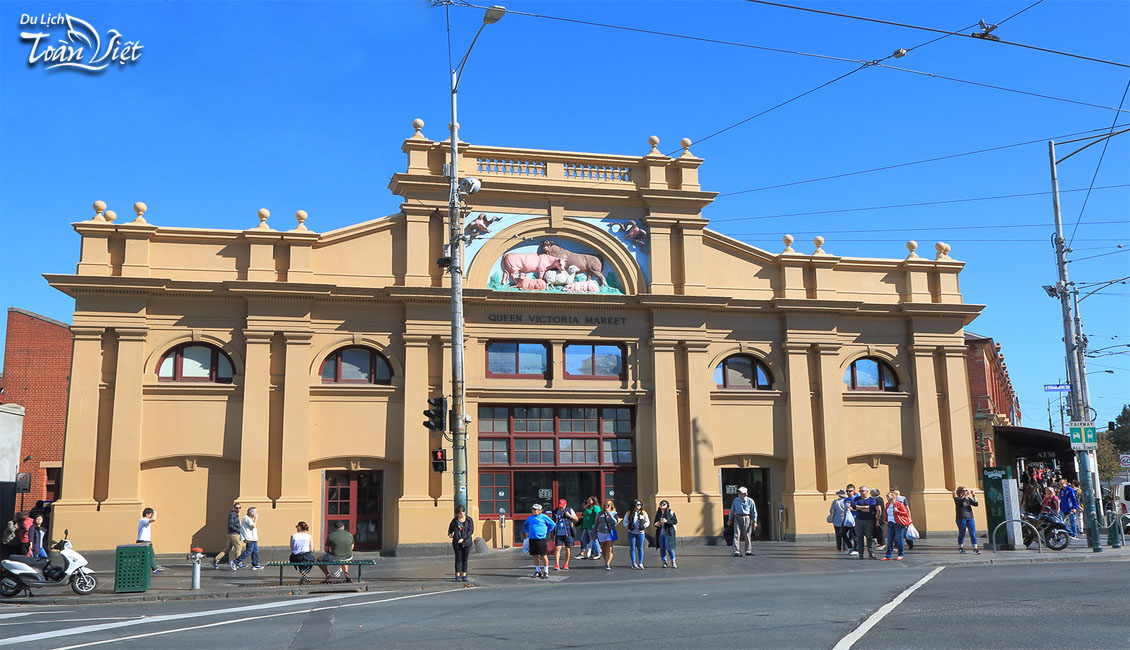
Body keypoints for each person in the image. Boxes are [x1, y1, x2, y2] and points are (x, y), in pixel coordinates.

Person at [522, 504, 555, 579]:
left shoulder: (544, 517)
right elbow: (524, 525)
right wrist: (526, 531)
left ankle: (546, 571)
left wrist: (546, 532)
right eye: (533, 509)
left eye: (535, 509)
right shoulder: (530, 518)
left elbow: (552, 524)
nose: (534, 511)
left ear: (540, 510)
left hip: (541, 539)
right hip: (532, 539)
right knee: (534, 555)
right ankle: (538, 571)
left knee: (543, 555)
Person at [881, 490, 911, 561]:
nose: (887, 497)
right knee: (889, 539)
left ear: (893, 497)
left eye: (888, 496)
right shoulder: (887, 504)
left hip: (898, 523)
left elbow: (905, 513)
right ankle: (888, 555)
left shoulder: (899, 504)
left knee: (899, 539)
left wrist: (897, 511)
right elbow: (886, 512)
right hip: (890, 523)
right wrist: (885, 519)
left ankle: (901, 554)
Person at [214, 502, 244, 570]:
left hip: (230, 533)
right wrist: (238, 530)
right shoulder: (232, 515)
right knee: (238, 547)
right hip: (234, 534)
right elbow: (231, 525)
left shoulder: (234, 514)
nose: (238, 509)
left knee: (228, 548)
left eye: (240, 508)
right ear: (233, 508)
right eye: (237, 508)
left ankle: (216, 560)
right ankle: (238, 563)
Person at [448, 505, 474, 582]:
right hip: (457, 543)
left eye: (461, 513)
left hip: (467, 542)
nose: (460, 515)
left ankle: (464, 575)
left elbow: (471, 531)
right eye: (459, 514)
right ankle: (457, 575)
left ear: (464, 512)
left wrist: (463, 538)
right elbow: (450, 529)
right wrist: (450, 533)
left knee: (465, 559)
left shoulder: (469, 520)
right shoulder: (455, 521)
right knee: (458, 559)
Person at [729, 486, 757, 557]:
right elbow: (732, 510)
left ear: (745, 494)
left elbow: (754, 512)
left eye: (741, 493)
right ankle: (736, 551)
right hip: (737, 517)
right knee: (736, 534)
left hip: (746, 517)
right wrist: (730, 519)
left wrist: (755, 521)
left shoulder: (750, 501)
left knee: (747, 534)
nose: (740, 494)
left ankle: (748, 550)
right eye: (739, 492)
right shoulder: (735, 500)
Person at [552, 499, 578, 571]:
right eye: (560, 506)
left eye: (562, 506)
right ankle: (557, 564)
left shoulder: (569, 510)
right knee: (557, 549)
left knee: (568, 549)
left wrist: (569, 516)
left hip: (568, 533)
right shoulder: (555, 512)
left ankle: (566, 563)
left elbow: (576, 519)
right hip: (558, 533)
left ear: (565, 505)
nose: (561, 508)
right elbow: (553, 523)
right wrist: (552, 534)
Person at [624, 500, 650, 569]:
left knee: (640, 548)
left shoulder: (643, 513)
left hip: (640, 533)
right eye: (637, 504)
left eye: (640, 504)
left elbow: (647, 521)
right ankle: (633, 563)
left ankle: (640, 563)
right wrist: (628, 526)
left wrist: (644, 526)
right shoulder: (629, 513)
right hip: (631, 532)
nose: (639, 506)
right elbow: (625, 521)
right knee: (632, 548)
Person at [852, 486, 877, 559]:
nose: (861, 492)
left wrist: (859, 508)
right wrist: (865, 507)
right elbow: (854, 507)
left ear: (867, 491)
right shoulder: (857, 499)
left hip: (868, 520)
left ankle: (871, 553)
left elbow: (871, 509)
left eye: (863, 491)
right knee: (859, 537)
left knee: (869, 537)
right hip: (859, 520)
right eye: (860, 491)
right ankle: (861, 553)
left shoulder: (872, 500)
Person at [954, 486, 980, 554]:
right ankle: (960, 547)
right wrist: (963, 496)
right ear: (960, 492)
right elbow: (961, 502)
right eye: (964, 490)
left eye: (966, 490)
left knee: (973, 533)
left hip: (970, 517)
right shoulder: (957, 499)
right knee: (962, 533)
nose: (966, 491)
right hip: (961, 518)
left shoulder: (968, 499)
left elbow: (976, 504)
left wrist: (974, 496)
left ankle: (975, 549)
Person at [136, 507, 163, 574]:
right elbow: (153, 519)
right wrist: (155, 513)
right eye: (151, 514)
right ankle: (152, 569)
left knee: (150, 555)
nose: (151, 515)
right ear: (147, 514)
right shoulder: (143, 520)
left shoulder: (144, 521)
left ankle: (153, 568)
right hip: (143, 541)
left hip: (145, 540)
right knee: (149, 555)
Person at [595, 500, 620, 571]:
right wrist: (594, 533)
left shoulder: (614, 513)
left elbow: (615, 522)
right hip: (601, 532)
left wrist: (609, 514)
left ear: (611, 506)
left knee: (609, 548)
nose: (606, 506)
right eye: (605, 505)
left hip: (610, 532)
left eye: (608, 505)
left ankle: (607, 563)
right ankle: (606, 561)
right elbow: (596, 523)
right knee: (603, 548)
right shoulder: (600, 514)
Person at [654, 500, 678, 568]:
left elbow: (675, 521)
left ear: (667, 505)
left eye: (664, 504)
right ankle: (664, 561)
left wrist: (667, 521)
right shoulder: (659, 513)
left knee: (669, 548)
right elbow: (655, 521)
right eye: (660, 504)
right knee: (662, 548)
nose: (662, 505)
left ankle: (673, 561)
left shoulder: (671, 512)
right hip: (661, 533)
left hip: (668, 533)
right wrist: (656, 524)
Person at [889, 485, 913, 551]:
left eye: (893, 491)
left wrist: (909, 516)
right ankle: (896, 546)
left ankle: (910, 543)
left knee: (904, 532)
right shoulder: (891, 500)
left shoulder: (902, 498)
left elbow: (907, 508)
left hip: (902, 517)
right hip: (894, 518)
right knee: (895, 533)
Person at [579, 496, 602, 560]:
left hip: (592, 526)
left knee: (594, 539)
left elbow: (597, 516)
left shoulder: (595, 507)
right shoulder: (589, 508)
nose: (588, 501)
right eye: (588, 500)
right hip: (586, 526)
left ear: (593, 500)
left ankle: (597, 553)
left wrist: (596, 526)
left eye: (590, 500)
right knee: (583, 539)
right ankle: (589, 552)